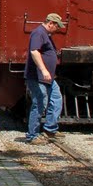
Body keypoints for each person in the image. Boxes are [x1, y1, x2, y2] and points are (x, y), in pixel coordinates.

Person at [24, 12, 66, 144]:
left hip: (48, 77)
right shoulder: (38, 33)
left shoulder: (46, 34)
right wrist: (43, 70)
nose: (58, 29)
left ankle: (50, 128)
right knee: (40, 103)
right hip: (37, 77)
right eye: (57, 26)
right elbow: (34, 51)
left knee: (56, 98)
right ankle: (32, 136)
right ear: (50, 23)